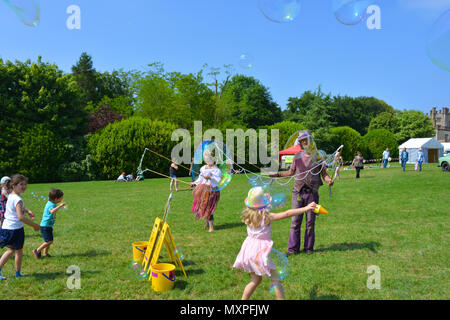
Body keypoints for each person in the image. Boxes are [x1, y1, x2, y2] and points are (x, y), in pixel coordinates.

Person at [233, 186, 317, 300]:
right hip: (260, 252)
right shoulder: (266, 216)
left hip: (249, 249)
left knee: (256, 280)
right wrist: (305, 208)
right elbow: (287, 213)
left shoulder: (248, 216)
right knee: (276, 279)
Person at [269, 130, 333, 256]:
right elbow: (290, 172)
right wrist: (277, 174)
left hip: (312, 194)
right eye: (302, 142)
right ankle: (293, 249)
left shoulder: (318, 158)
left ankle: (308, 248)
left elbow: (324, 174)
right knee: (295, 221)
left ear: (311, 142)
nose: (304, 143)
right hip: (297, 193)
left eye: (306, 141)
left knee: (310, 222)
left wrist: (329, 180)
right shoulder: (297, 157)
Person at [0, 174, 40, 280]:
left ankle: (18, 273)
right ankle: (16, 272)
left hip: (8, 228)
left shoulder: (11, 196)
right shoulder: (17, 199)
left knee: (16, 250)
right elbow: (20, 217)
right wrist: (35, 225)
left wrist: (27, 211)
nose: (24, 186)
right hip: (14, 229)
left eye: (25, 184)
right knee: (13, 250)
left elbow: (16, 210)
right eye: (21, 184)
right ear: (13, 185)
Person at [190, 155, 222, 232]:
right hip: (203, 189)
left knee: (208, 208)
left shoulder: (217, 170)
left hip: (211, 190)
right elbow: (200, 179)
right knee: (203, 206)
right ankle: (207, 223)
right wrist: (194, 183)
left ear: (213, 159)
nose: (208, 161)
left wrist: (210, 178)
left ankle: (211, 227)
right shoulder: (204, 168)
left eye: (210, 159)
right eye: (207, 159)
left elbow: (218, 181)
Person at [32, 188, 66, 259]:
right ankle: (37, 250)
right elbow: (52, 211)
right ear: (56, 199)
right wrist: (60, 206)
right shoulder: (52, 205)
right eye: (61, 198)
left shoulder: (51, 203)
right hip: (45, 226)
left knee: (48, 240)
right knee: (49, 241)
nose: (62, 199)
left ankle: (45, 253)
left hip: (48, 226)